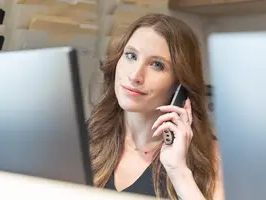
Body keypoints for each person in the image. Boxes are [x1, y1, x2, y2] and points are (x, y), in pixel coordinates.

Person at [86, 13, 224, 200]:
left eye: (157, 65)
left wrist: (179, 173)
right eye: (131, 56)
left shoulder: (213, 157)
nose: (135, 75)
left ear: (179, 84)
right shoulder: (87, 138)